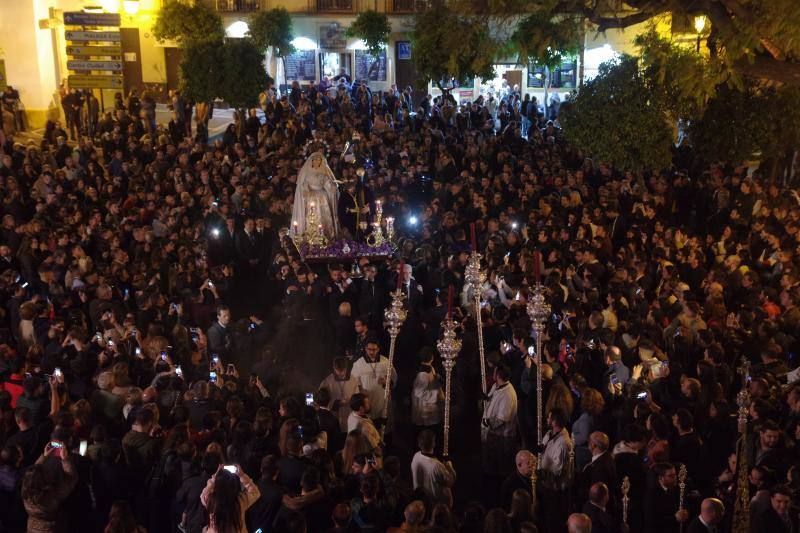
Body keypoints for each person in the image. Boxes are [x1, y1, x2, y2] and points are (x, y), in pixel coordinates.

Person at [21, 441, 78, 532]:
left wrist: (44, 456)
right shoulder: (53, 494)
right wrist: (65, 458)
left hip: (32, 526)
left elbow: (33, 472)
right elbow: (71, 478)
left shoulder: (25, 489)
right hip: (50, 528)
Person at [291, 151, 340, 242]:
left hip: (322, 197)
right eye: (316, 160)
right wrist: (305, 190)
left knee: (325, 217)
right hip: (311, 197)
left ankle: (326, 237)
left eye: (319, 160)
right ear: (312, 161)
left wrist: (332, 188)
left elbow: (327, 183)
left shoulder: (323, 172)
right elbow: (303, 184)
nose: (318, 161)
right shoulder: (306, 172)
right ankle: (312, 237)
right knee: (313, 217)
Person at [482, 364, 518, 479]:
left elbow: (502, 419)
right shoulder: (496, 386)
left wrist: (487, 423)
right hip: (493, 434)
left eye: (494, 372)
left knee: (500, 465)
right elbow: (492, 398)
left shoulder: (508, 394)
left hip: (502, 436)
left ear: (497, 376)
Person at [200, 466, 260, 533]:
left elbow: (203, 494)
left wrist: (214, 478)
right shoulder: (240, 501)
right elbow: (255, 493)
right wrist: (242, 475)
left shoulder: (210, 499)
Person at [351, 339, 396, 421]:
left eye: (374, 349)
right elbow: (354, 384)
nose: (371, 352)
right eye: (369, 349)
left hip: (382, 399)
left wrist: (387, 382)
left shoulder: (385, 362)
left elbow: (393, 378)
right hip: (367, 401)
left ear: (378, 349)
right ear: (365, 349)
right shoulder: (358, 364)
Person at [410, 429, 456, 506]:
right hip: (435, 503)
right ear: (434, 444)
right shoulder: (437, 465)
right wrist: (450, 468)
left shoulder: (415, 456)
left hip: (420, 500)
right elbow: (450, 482)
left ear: (419, 444)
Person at [643, 462, 688, 533]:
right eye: (670, 476)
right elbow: (651, 520)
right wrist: (674, 518)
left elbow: (685, 506)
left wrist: (685, 513)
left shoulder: (678, 489)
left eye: (675, 475)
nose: (675, 478)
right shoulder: (651, 494)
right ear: (661, 478)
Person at [320, 357, 360, 434]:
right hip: (334, 419)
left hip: (350, 417)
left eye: (343, 370)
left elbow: (357, 398)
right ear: (334, 368)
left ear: (346, 368)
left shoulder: (353, 380)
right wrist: (335, 403)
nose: (341, 373)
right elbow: (321, 401)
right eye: (338, 370)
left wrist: (350, 401)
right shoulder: (327, 382)